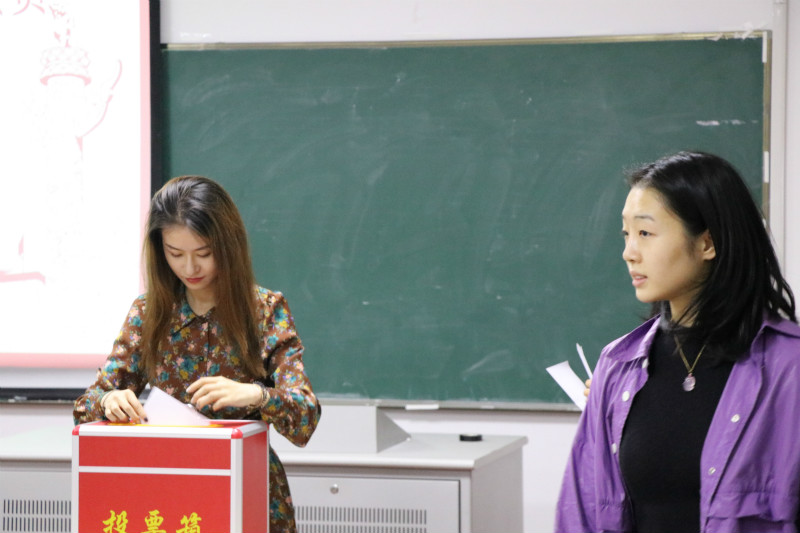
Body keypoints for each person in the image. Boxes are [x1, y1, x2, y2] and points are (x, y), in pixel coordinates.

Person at [555, 151, 800, 533]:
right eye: (626, 234)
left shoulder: (789, 368)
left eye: (645, 233)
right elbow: (581, 514)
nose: (629, 253)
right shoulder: (617, 367)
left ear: (707, 243)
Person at [73, 175, 320, 533]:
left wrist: (256, 395)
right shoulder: (149, 312)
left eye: (204, 253)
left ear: (228, 245)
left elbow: (305, 417)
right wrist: (109, 400)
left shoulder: (265, 311)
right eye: (175, 254)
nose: (190, 268)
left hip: (246, 489)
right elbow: (85, 405)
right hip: (166, 493)